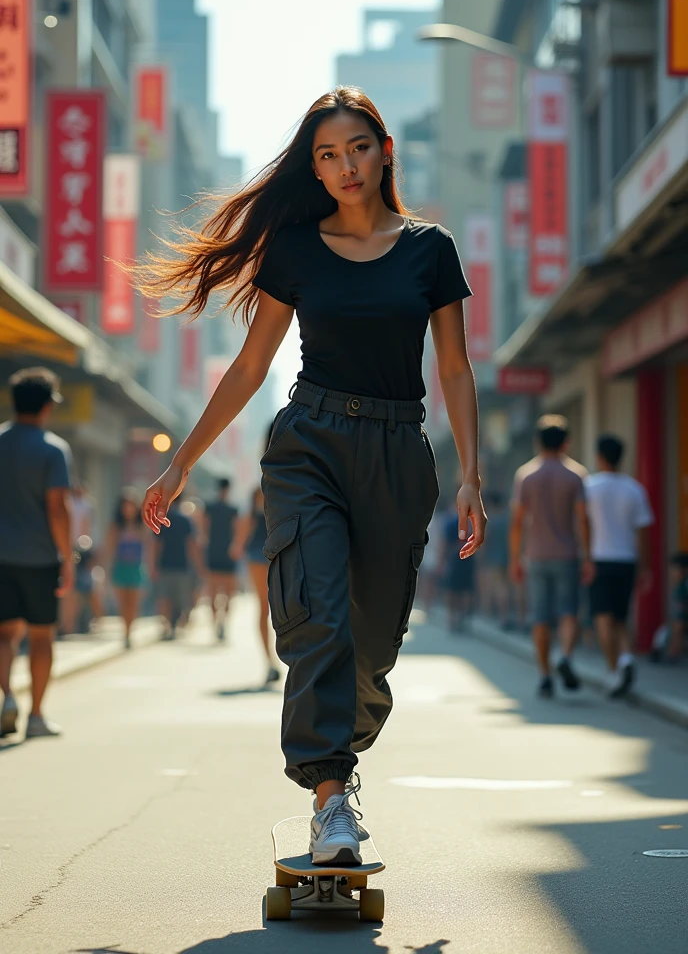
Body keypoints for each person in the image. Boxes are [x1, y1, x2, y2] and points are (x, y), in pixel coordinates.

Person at [137, 86, 485, 865]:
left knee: (372, 642)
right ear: (316, 170)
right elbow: (252, 366)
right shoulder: (293, 249)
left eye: (357, 147)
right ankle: (330, 797)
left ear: (384, 149)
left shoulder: (432, 250)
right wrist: (180, 462)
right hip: (311, 445)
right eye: (326, 155)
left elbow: (455, 368)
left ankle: (342, 761)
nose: (344, 165)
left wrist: (470, 475)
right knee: (316, 612)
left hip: (400, 452)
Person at [0, 368, 74, 739]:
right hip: (40, 558)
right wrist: (67, 556)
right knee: (41, 637)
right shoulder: (53, 449)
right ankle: (37, 716)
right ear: (47, 406)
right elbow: (57, 509)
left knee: (3, 635)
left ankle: (7, 698)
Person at [510, 415, 594, 698]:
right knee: (569, 611)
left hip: (536, 555)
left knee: (540, 618)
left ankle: (545, 675)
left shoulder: (526, 475)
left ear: (538, 441)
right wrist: (588, 557)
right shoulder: (576, 475)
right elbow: (583, 520)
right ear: (566, 442)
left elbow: (518, 522)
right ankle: (566, 658)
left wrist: (515, 559)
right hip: (567, 553)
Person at [584, 435, 653, 696]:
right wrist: (645, 567)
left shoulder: (589, 487)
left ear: (600, 457)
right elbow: (644, 531)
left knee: (603, 617)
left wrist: (585, 558)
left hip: (599, 559)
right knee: (622, 617)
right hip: (627, 559)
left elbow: (583, 524)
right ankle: (626, 658)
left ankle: (613, 670)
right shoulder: (634, 489)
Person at [231, 485, 281, 684]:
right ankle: (270, 662)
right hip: (260, 556)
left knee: (274, 606)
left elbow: (237, 544)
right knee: (265, 606)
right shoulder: (257, 503)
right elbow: (239, 541)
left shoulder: (277, 497)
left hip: (272, 554)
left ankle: (274, 661)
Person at [152, 495, 204, 639]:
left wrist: (153, 565)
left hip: (164, 564)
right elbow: (192, 545)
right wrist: (198, 566)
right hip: (182, 565)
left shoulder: (161, 520)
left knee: (165, 596)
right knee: (180, 598)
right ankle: (174, 625)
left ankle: (167, 625)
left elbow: (156, 545)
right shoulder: (186, 520)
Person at [104, 488, 148, 649]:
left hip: (136, 567)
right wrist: (107, 569)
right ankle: (125, 631)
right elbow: (109, 548)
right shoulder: (116, 526)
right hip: (120, 567)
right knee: (123, 603)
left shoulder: (141, 525)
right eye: (126, 505)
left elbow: (148, 546)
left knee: (134, 603)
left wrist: (149, 567)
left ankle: (130, 631)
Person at [61, 482, 104, 635]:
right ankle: (70, 625)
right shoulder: (73, 503)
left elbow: (88, 528)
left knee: (87, 589)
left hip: (81, 550)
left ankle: (88, 621)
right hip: (75, 549)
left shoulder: (85, 505)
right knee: (75, 590)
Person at [203, 478, 239, 642]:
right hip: (225, 553)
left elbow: (204, 530)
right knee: (223, 592)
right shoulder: (232, 509)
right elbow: (236, 530)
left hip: (217, 552)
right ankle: (220, 623)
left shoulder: (211, 508)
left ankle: (220, 623)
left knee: (219, 591)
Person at [440, 500, 476, 632]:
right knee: (465, 590)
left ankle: (452, 618)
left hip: (454, 559)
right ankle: (462, 618)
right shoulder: (472, 523)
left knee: (453, 590)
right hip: (468, 558)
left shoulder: (451, 522)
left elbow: (444, 544)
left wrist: (442, 561)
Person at [478, 492, 511, 628]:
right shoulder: (507, 520)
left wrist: (480, 556)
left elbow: (485, 540)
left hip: (493, 558)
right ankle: (503, 615)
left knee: (496, 587)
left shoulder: (490, 521)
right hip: (507, 556)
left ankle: (495, 615)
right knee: (506, 587)